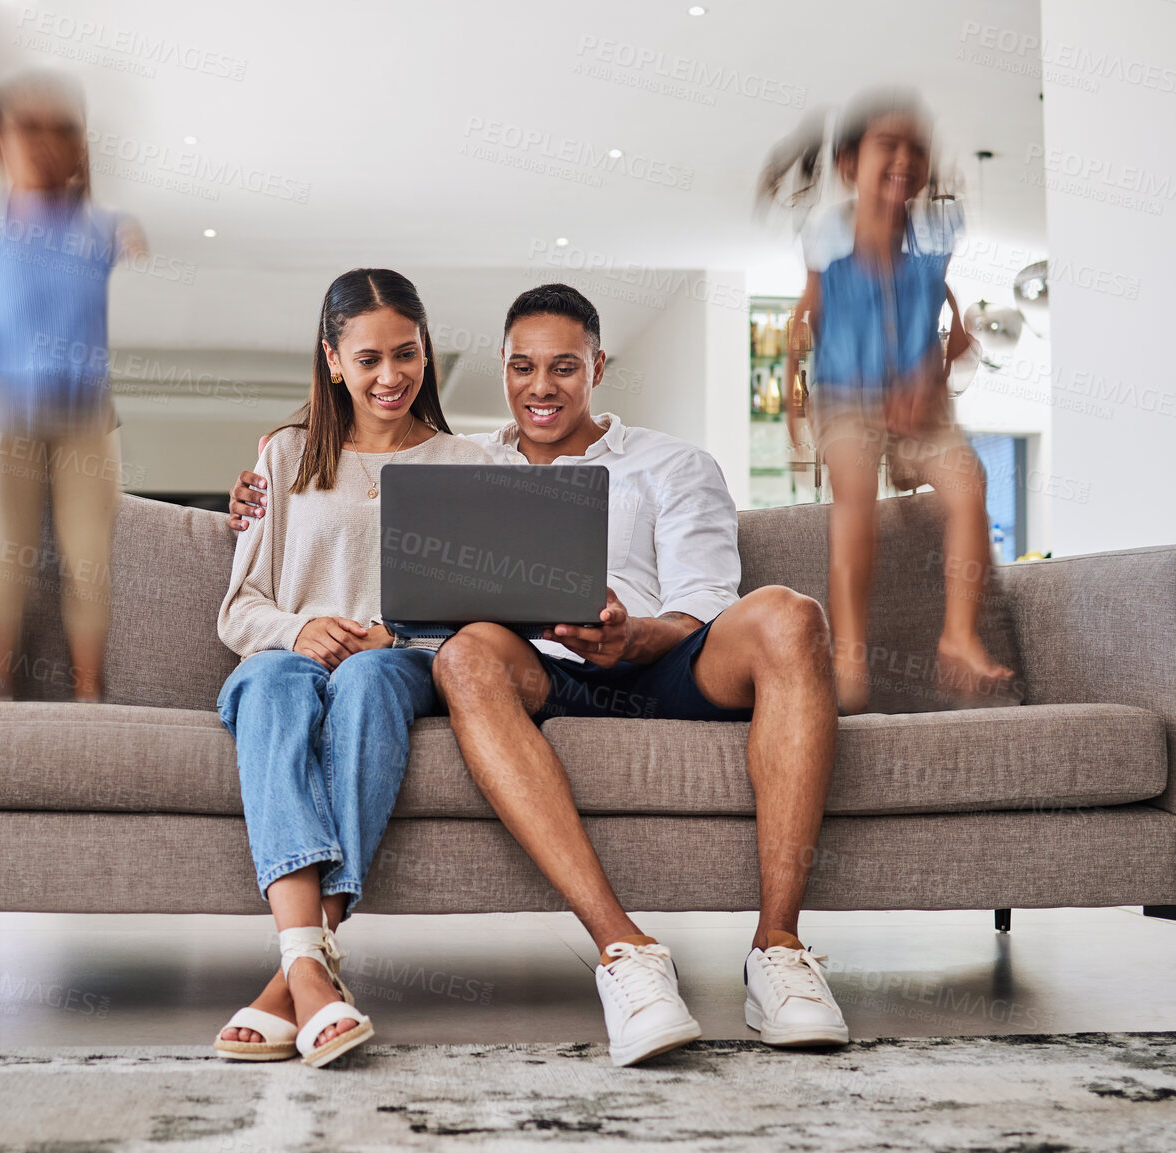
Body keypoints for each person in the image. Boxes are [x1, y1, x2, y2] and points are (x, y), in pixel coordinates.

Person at [230, 284, 846, 1066]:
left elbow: (704, 605)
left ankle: (779, 949)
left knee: (792, 611)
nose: (541, 386)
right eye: (523, 367)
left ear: (597, 366)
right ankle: (624, 951)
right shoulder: (464, 463)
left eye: (563, 367)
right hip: (539, 671)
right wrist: (260, 481)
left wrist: (632, 634)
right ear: (503, 370)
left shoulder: (673, 462)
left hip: (665, 659)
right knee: (463, 655)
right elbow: (366, 483)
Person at [213, 269, 492, 1068]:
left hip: (400, 666)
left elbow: (484, 624)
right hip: (289, 660)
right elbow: (240, 610)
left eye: (407, 354)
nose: (391, 375)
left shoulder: (464, 461)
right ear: (333, 360)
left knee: (368, 681)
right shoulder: (285, 455)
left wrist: (393, 641)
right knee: (268, 679)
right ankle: (311, 970)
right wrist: (301, 630)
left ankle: (295, 970)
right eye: (368, 359)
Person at [762, 88, 1010, 714]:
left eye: (917, 150)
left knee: (967, 483)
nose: (905, 160)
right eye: (888, 147)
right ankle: (848, 653)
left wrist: (927, 381)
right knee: (855, 494)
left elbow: (952, 325)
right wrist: (796, 403)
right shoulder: (826, 236)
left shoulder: (935, 235)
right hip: (846, 397)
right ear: (850, 166)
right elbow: (806, 320)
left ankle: (958, 635)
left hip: (920, 400)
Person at [0, 70, 145, 702]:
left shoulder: (100, 231)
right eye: (31, 130)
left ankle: (87, 691)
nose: (48, 143)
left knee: (87, 562)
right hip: (11, 419)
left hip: (87, 423)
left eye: (64, 131)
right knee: (7, 557)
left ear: (82, 149)